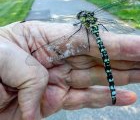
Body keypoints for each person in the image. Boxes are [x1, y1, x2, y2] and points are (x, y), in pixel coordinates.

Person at [0, 20, 139, 120]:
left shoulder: (82, 27)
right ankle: (112, 91)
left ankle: (113, 91)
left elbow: (79, 30)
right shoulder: (93, 22)